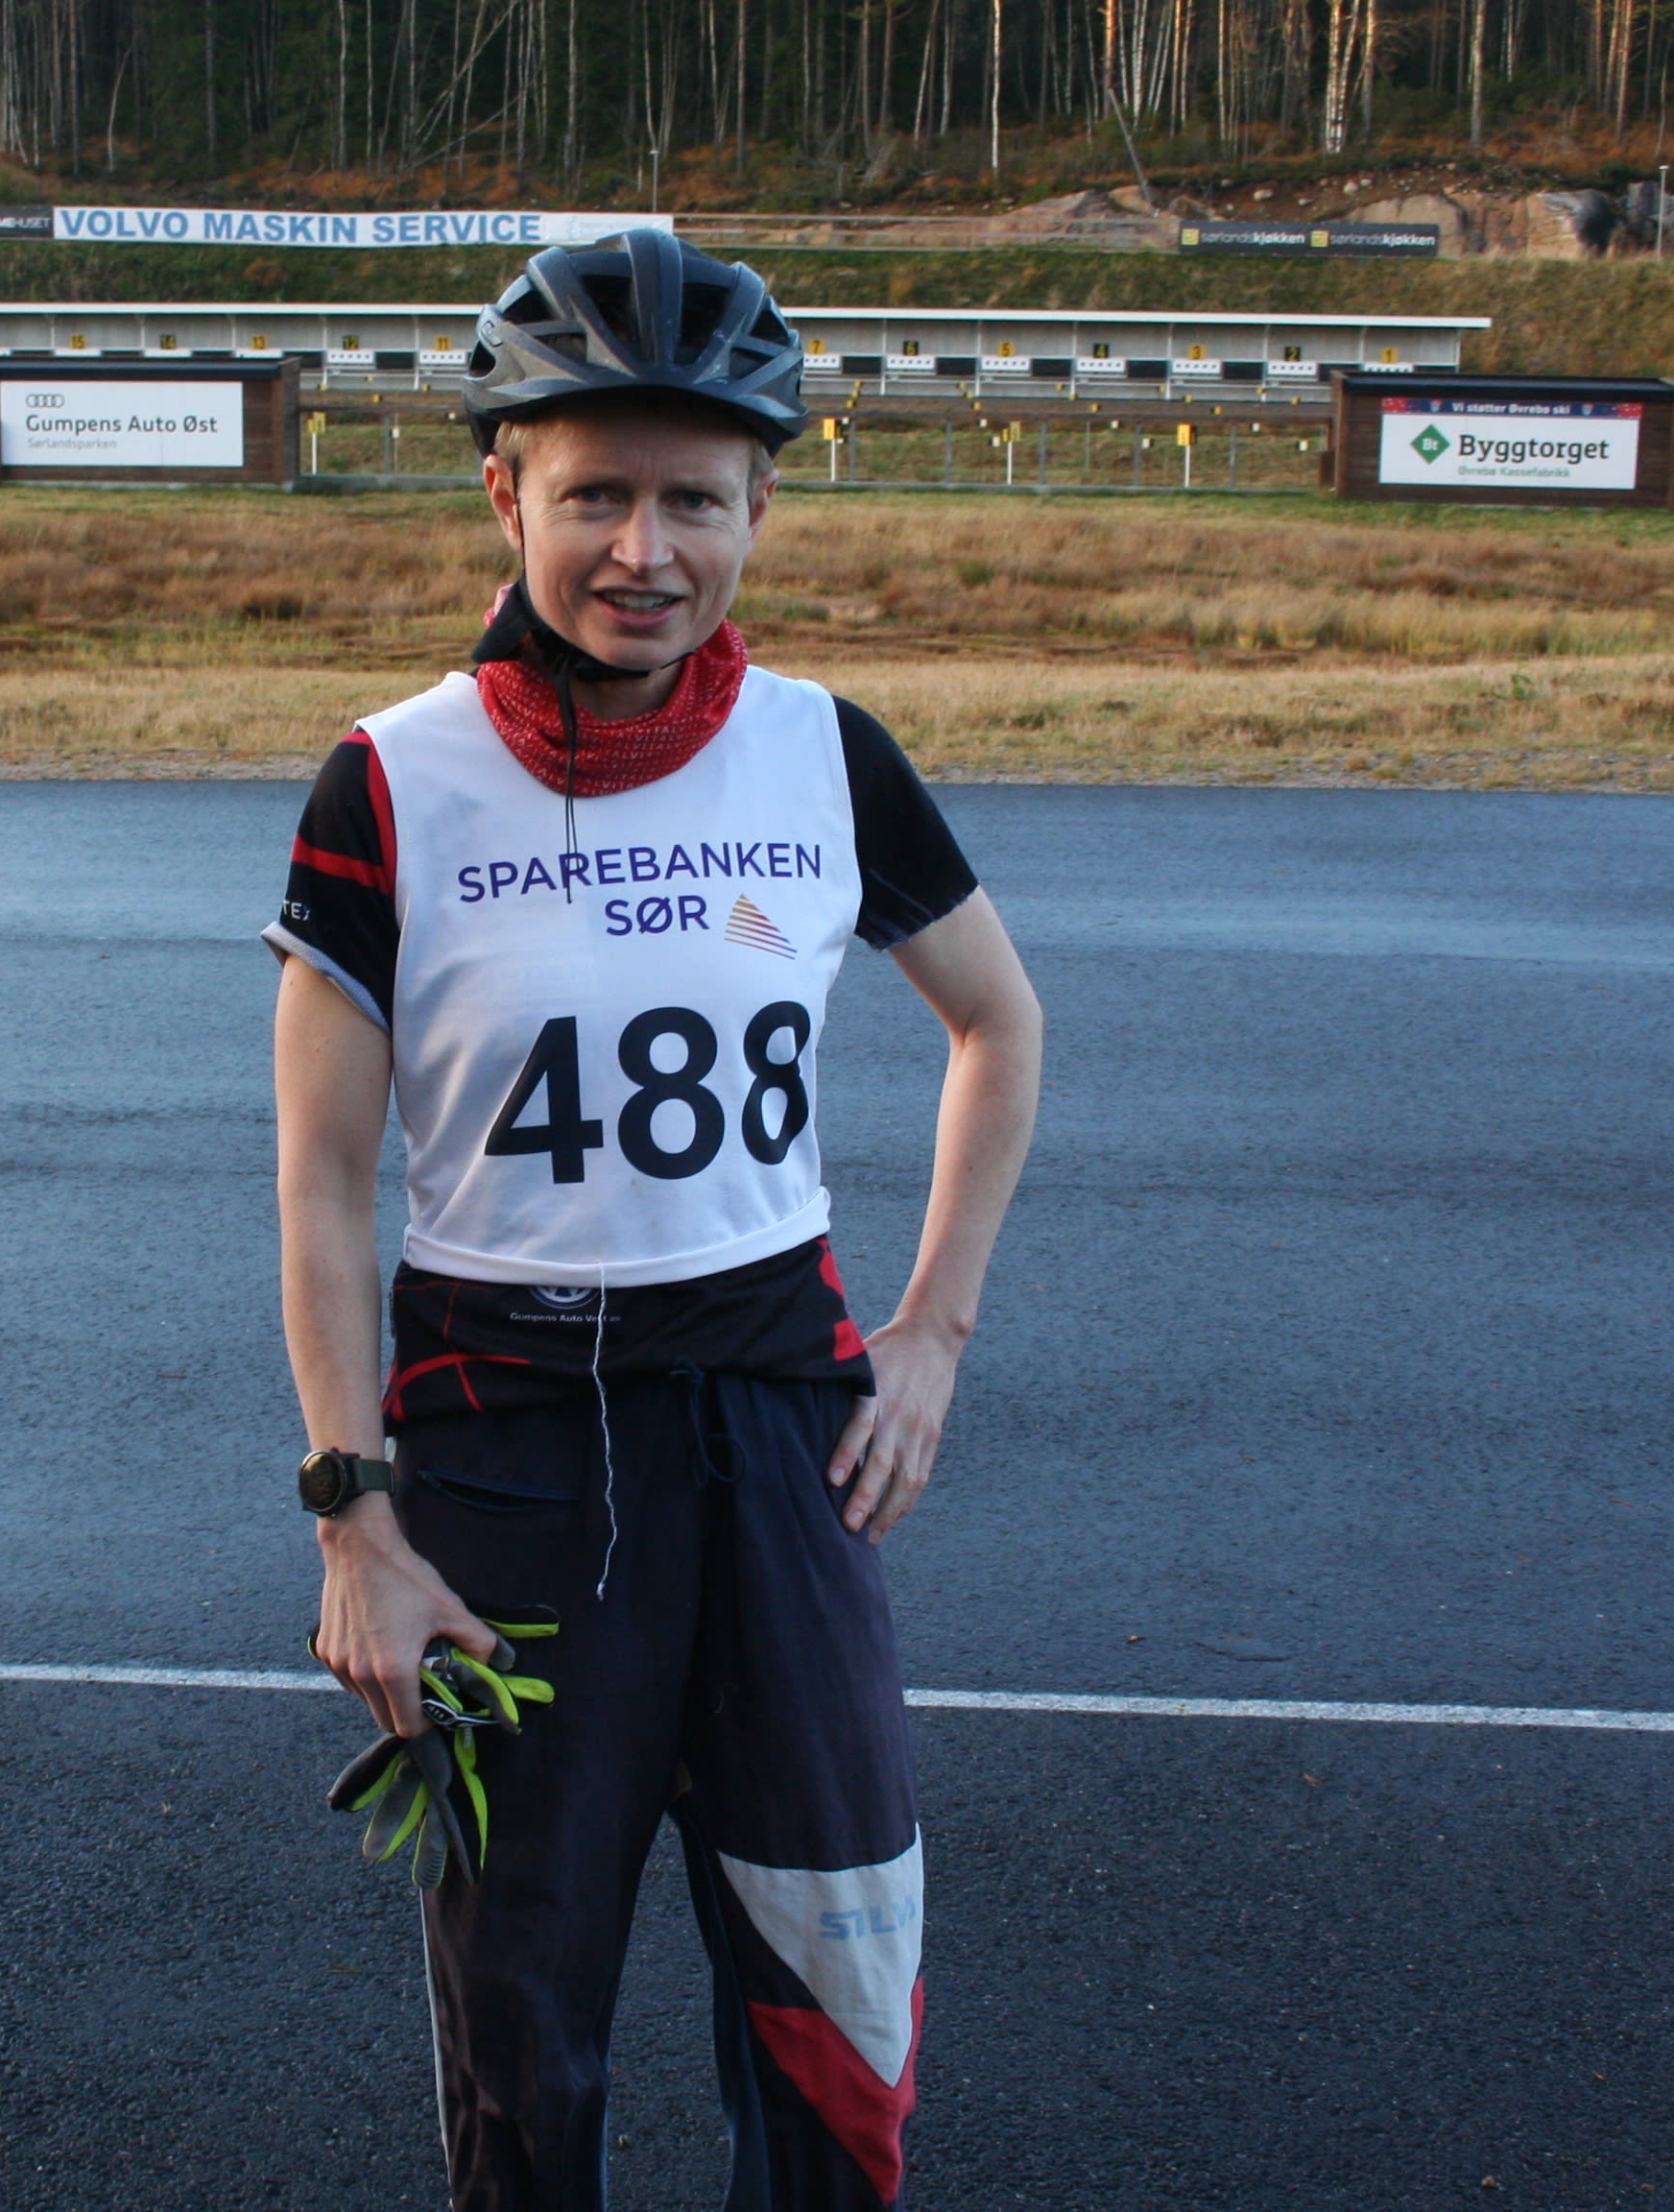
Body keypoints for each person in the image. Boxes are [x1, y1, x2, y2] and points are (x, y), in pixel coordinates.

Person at [268, 229, 1041, 2212]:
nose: (645, 548)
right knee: (526, 2030)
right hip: (508, 1443)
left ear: (761, 506)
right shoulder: (390, 782)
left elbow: (998, 1023)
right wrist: (356, 1522)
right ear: (503, 490)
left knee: (839, 1969)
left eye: (696, 498)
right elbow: (326, 1182)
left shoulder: (824, 750)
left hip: (780, 1426)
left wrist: (935, 1339)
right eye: (594, 491)